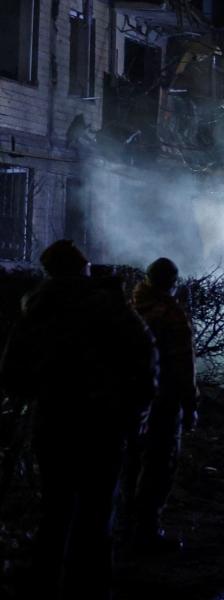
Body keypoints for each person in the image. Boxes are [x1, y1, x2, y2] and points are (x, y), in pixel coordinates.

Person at [0, 240, 157, 599]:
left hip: (54, 423)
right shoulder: (111, 306)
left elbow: (12, 373)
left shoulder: (38, 309)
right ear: (83, 267)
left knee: (56, 510)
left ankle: (47, 584)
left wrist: (39, 394)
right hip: (103, 426)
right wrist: (135, 412)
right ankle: (90, 588)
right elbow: (145, 358)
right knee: (97, 513)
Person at [128, 257, 198, 551]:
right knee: (160, 465)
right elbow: (183, 364)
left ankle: (123, 525)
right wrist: (190, 404)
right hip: (164, 400)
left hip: (130, 400)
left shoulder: (131, 308)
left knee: (130, 463)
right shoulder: (170, 314)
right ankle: (146, 530)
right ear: (171, 282)